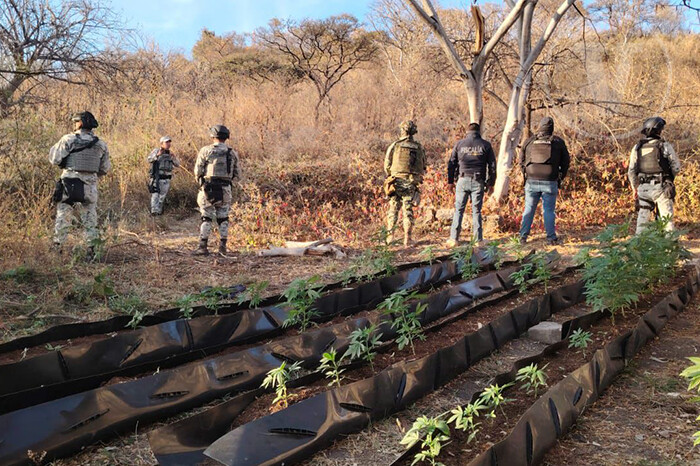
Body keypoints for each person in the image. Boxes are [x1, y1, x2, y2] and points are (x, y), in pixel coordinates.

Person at [49, 111, 110, 258]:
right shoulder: (101, 144)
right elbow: (104, 169)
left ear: (80, 123)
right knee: (90, 217)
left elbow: (54, 159)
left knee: (63, 215)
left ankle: (58, 248)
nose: (74, 124)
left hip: (70, 182)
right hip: (90, 185)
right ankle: (92, 250)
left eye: (76, 122)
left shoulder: (68, 139)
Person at [518, 116, 570, 245]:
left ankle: (523, 237)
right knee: (548, 210)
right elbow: (566, 162)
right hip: (550, 181)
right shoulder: (558, 142)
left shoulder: (529, 141)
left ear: (540, 127)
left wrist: (525, 174)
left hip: (531, 181)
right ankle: (551, 238)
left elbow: (521, 161)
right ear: (552, 128)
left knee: (529, 208)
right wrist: (560, 177)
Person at [628, 116, 681, 234]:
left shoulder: (637, 147)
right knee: (667, 221)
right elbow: (676, 167)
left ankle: (638, 248)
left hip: (643, 189)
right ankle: (669, 248)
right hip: (661, 188)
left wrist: (634, 188)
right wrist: (669, 178)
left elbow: (631, 170)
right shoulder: (664, 145)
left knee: (642, 220)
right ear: (658, 131)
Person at [193, 125, 240, 256]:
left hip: (208, 187)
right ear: (226, 137)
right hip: (225, 188)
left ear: (213, 136)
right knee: (223, 218)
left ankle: (203, 247)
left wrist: (202, 184)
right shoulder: (232, 152)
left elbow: (198, 171)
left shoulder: (205, 150)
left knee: (206, 217)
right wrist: (229, 185)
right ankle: (222, 247)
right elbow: (238, 174)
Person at [446, 123, 496, 247]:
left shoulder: (459, 144)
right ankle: (478, 240)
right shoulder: (485, 145)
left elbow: (451, 164)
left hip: (462, 180)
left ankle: (453, 239)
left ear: (467, 132)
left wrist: (450, 182)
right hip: (478, 181)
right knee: (476, 211)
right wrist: (491, 183)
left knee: (458, 209)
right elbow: (492, 166)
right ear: (479, 131)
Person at [384, 120, 427, 247]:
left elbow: (387, 164)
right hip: (410, 182)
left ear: (402, 130)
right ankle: (407, 239)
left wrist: (391, 176)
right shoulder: (419, 147)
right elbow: (423, 166)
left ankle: (390, 237)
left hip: (396, 181)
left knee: (393, 208)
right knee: (408, 210)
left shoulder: (395, 145)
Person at [147, 136, 181, 215]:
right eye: (166, 142)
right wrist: (157, 155)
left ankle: (159, 212)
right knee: (155, 195)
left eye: (169, 142)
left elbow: (177, 164)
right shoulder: (156, 151)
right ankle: (154, 212)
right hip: (157, 178)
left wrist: (174, 158)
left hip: (166, 179)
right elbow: (149, 159)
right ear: (161, 143)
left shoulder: (170, 153)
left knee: (162, 197)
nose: (168, 144)